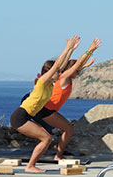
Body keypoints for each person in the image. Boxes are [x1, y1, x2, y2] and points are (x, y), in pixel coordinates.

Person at [9, 36, 80, 173]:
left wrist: (71, 50)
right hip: (20, 117)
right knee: (46, 138)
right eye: (57, 72)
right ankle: (30, 166)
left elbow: (60, 65)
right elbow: (57, 64)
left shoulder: (50, 85)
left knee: (47, 138)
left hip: (26, 116)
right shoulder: (42, 82)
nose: (60, 73)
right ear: (49, 73)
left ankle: (31, 165)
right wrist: (67, 48)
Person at [36, 38, 101, 161]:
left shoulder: (66, 77)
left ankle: (56, 154)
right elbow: (77, 65)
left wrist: (76, 53)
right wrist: (90, 49)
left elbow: (77, 66)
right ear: (71, 71)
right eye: (77, 71)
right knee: (68, 129)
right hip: (46, 110)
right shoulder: (64, 77)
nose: (78, 73)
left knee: (65, 130)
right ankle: (58, 156)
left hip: (48, 110)